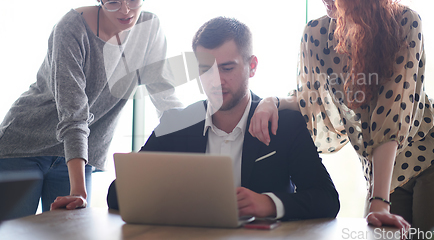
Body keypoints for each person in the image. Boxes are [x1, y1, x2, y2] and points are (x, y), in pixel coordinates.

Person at [249, 0, 434, 240]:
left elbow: (391, 113)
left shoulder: (405, 24)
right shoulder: (315, 35)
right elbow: (311, 98)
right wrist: (270, 100)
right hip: (385, 173)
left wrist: (378, 200)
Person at [0, 0, 182, 218]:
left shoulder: (149, 29)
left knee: (69, 234)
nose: (125, 10)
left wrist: (194, 146)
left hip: (79, 157)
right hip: (23, 147)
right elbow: (73, 112)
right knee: (8, 237)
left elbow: (164, 95)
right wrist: (78, 188)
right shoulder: (71, 29)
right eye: (112, 1)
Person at [106, 17, 340, 220]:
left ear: (252, 66)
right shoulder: (176, 124)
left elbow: (327, 199)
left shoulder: (285, 124)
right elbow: (117, 194)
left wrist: (269, 204)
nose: (215, 80)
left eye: (227, 68)